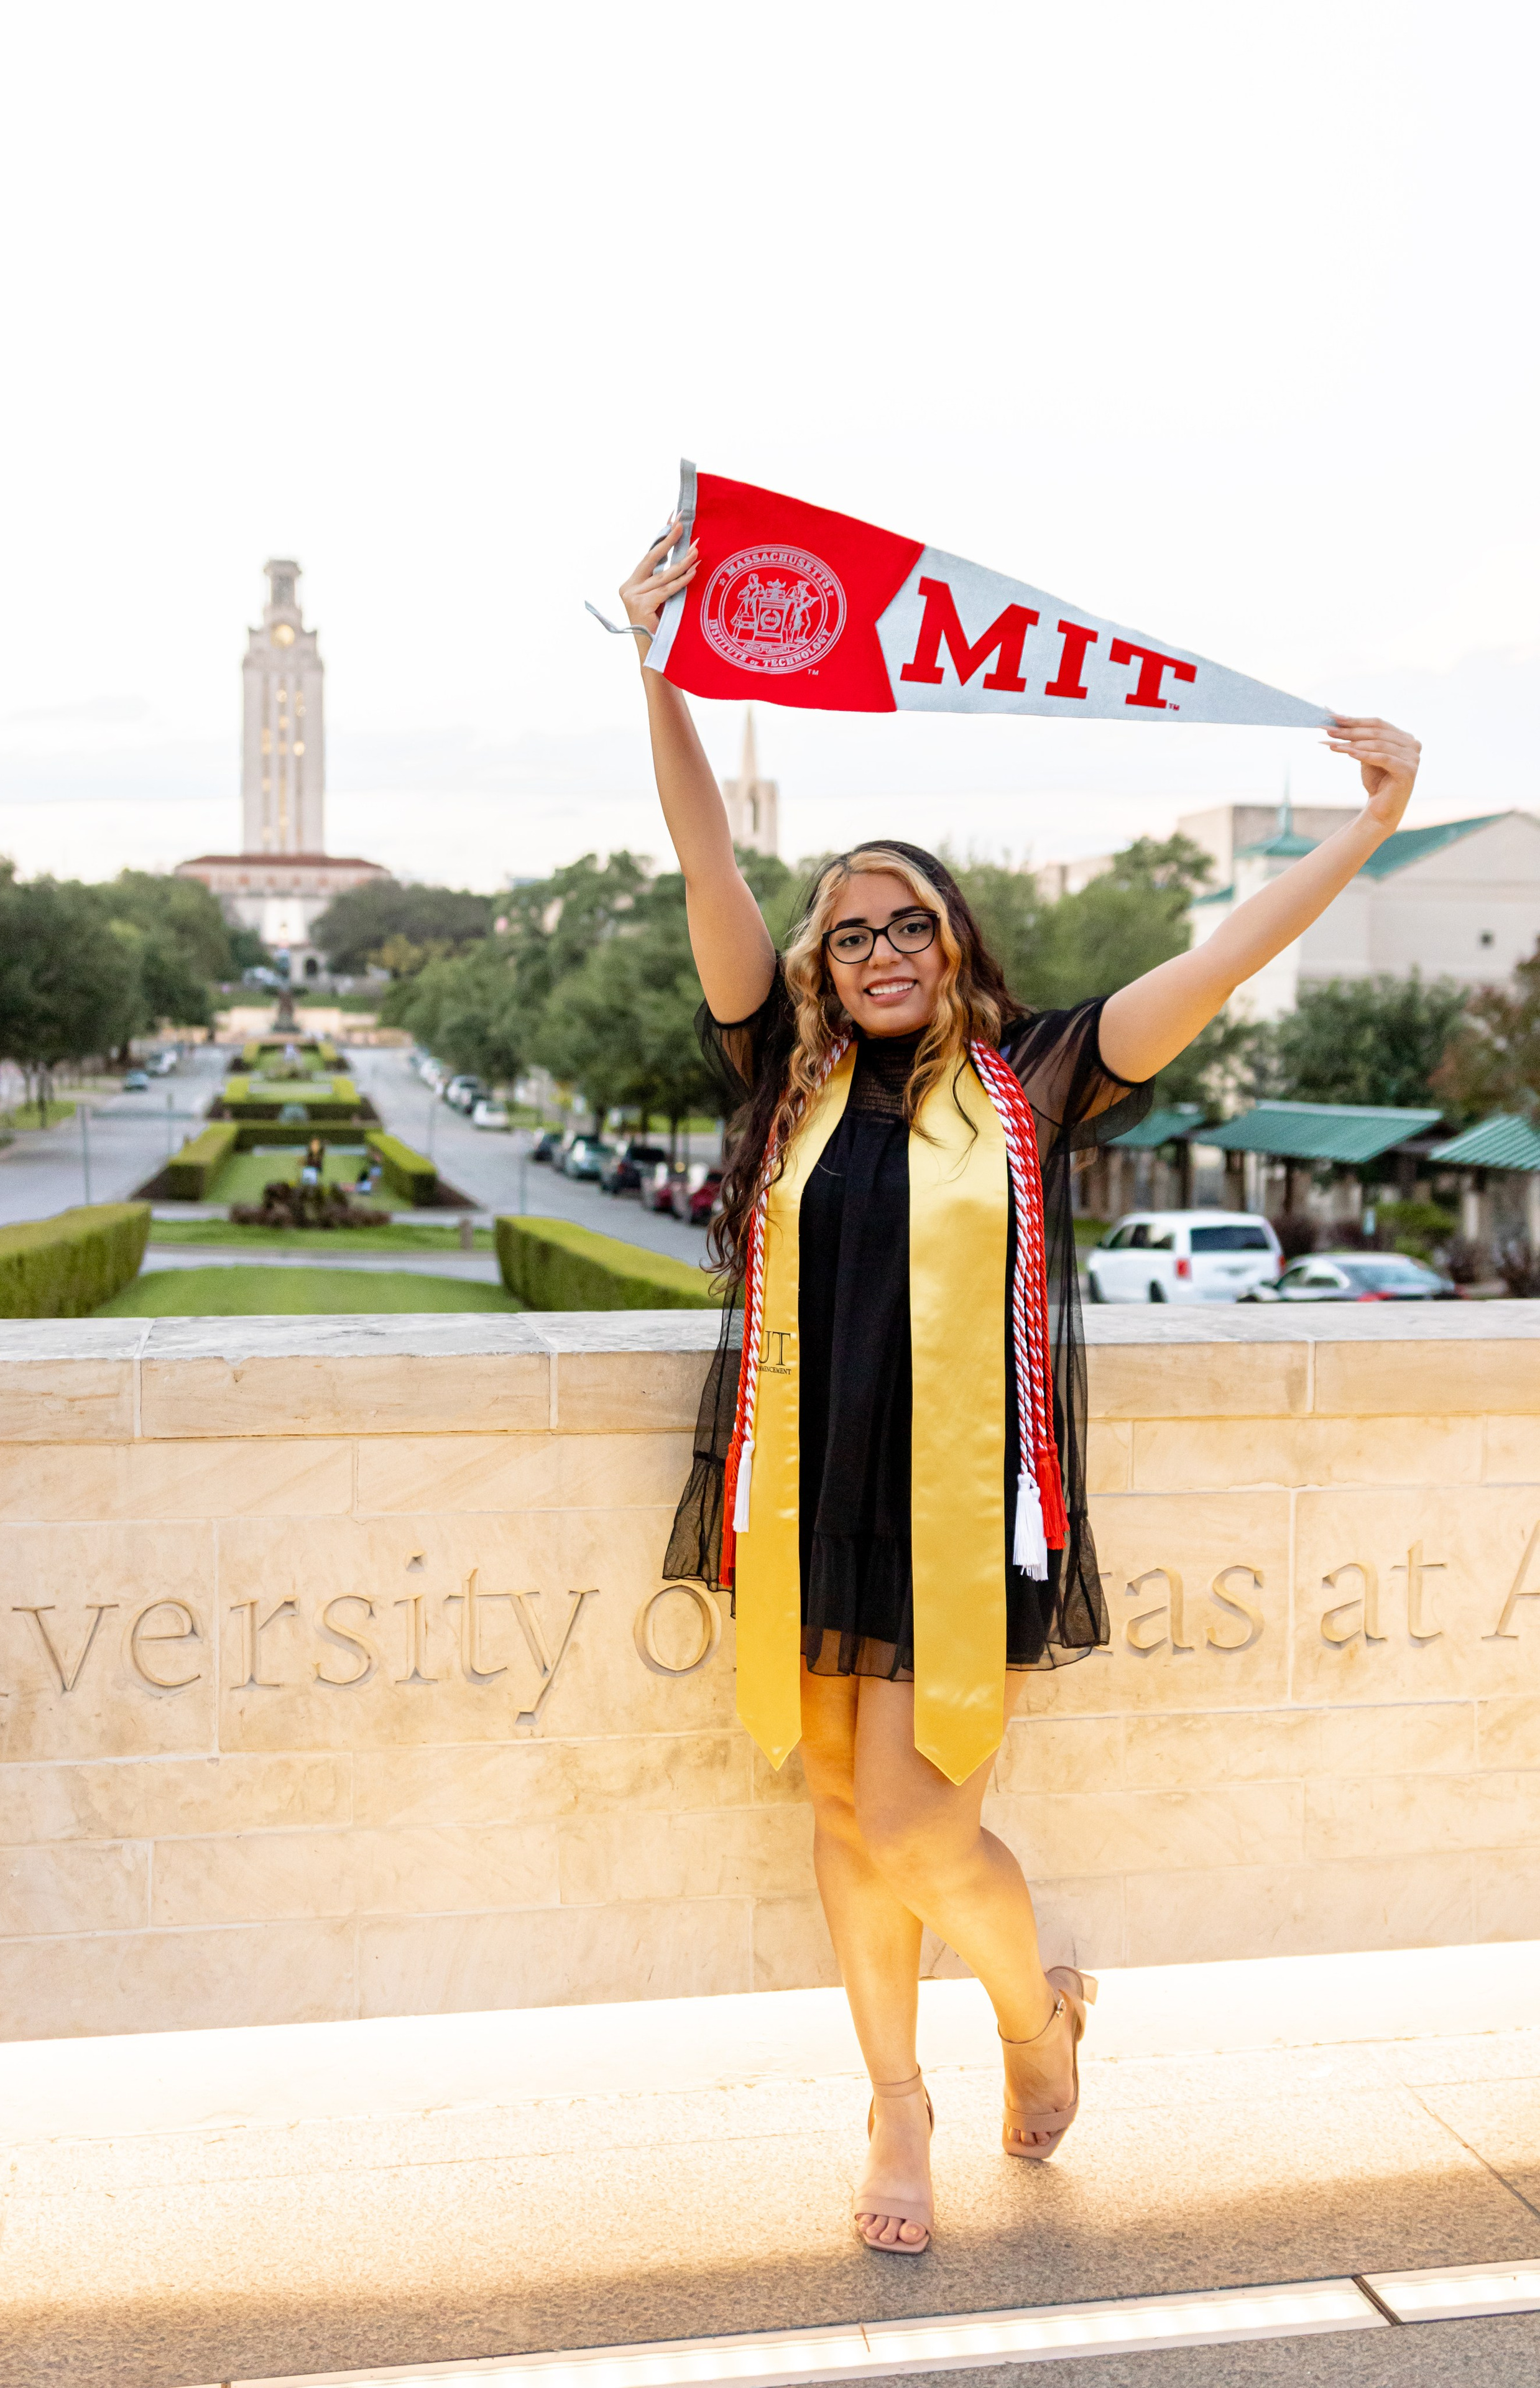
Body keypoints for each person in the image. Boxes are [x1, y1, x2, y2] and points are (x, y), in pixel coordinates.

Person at [620, 525, 1421, 2257]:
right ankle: (896, 2107)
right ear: (820, 965)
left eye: (908, 923)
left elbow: (1221, 965)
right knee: (841, 1816)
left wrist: (1368, 828)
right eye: (849, 932)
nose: (877, 949)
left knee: (921, 1827)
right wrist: (660, 668)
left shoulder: (1036, 1074)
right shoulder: (781, 1074)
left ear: (955, 940)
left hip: (966, 1518)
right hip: (807, 1497)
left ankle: (1036, 2014)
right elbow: (705, 860)